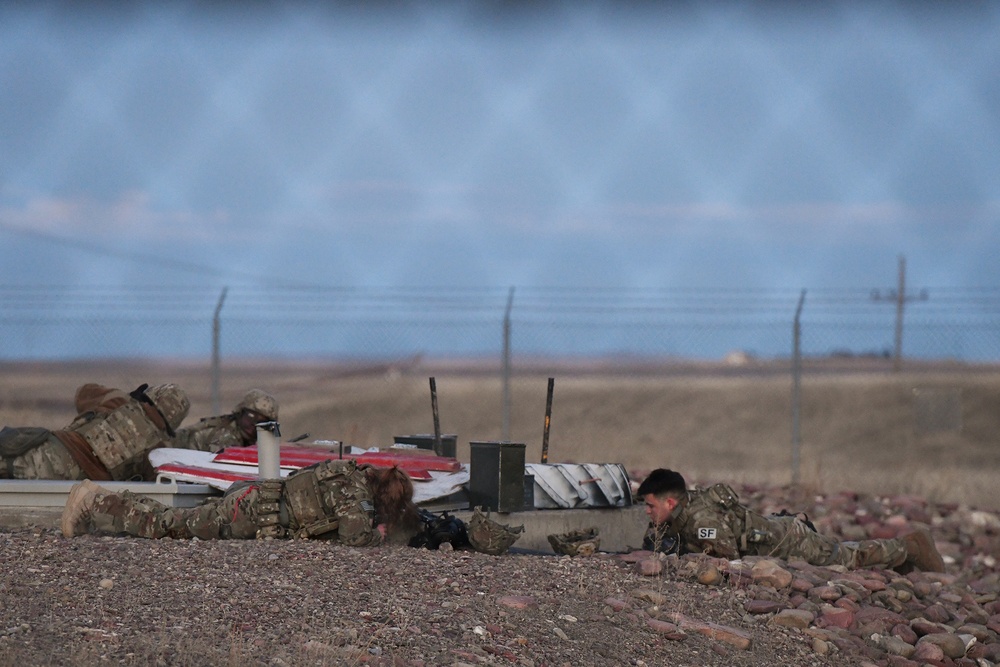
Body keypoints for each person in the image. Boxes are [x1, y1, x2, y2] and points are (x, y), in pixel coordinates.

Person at [636, 468, 945, 573]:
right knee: (845, 555)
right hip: (773, 533)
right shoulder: (684, 511)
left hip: (789, 541)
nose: (648, 512)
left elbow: (727, 561)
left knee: (849, 558)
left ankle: (910, 546)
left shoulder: (702, 520)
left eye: (651, 506)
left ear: (670, 502)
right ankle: (900, 556)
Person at [62, 458, 421, 546]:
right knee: (170, 524)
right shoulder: (355, 495)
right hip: (250, 513)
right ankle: (96, 501)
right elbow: (354, 537)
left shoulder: (348, 471)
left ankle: (99, 509)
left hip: (254, 500)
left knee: (175, 520)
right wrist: (381, 533)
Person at [0, 383, 189, 481]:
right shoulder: (158, 449)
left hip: (52, 450)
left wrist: (123, 396)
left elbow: (83, 393)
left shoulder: (119, 401)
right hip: (78, 483)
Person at [171, 389, 279, 453]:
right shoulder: (225, 438)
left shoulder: (247, 438)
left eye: (261, 422)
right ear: (240, 413)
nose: (253, 425)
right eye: (250, 417)